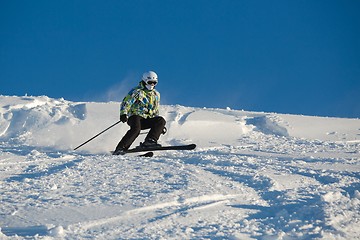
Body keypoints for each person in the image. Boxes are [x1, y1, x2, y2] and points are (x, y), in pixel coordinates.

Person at [113, 71, 166, 155]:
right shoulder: (137, 91)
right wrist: (123, 113)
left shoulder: (156, 94)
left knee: (160, 120)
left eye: (154, 83)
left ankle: (150, 141)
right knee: (136, 129)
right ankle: (121, 148)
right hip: (135, 117)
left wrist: (159, 127)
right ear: (144, 81)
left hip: (147, 119)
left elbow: (155, 110)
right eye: (150, 82)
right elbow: (126, 102)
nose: (152, 84)